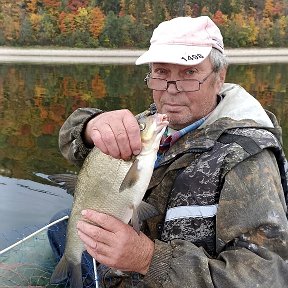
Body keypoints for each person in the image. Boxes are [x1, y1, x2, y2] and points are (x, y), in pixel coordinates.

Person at [48, 16, 288, 287]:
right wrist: (90, 127)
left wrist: (148, 259)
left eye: (189, 73)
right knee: (61, 224)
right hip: (115, 268)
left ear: (219, 77)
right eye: (162, 73)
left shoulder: (247, 158)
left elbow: (267, 276)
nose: (171, 92)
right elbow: (71, 146)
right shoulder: (154, 123)